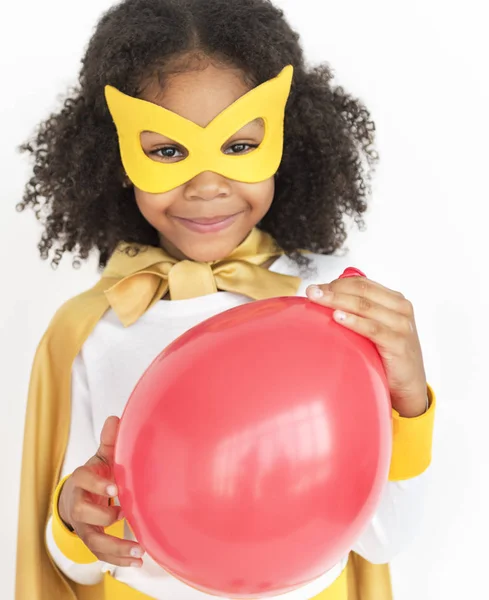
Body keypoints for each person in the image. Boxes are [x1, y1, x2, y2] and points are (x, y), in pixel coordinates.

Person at [14, 1, 436, 599]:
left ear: (288, 139)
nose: (207, 186)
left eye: (239, 147)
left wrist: (410, 399)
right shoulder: (95, 329)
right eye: (166, 151)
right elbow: (74, 567)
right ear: (116, 157)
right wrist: (75, 519)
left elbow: (384, 537)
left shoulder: (337, 308)